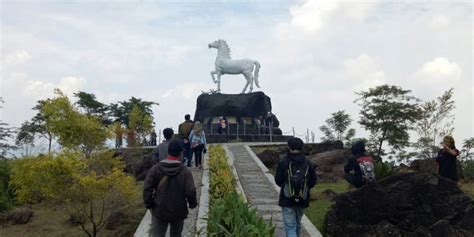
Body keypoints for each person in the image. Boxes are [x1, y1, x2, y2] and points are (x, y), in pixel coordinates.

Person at [143, 140, 197, 237]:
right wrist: (193, 204)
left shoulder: (155, 169)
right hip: (178, 210)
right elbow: (190, 191)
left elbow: (147, 188)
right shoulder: (185, 171)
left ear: (169, 151)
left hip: (159, 209)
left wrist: (150, 204)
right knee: (176, 234)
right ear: (181, 153)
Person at [275, 137, 317, 237]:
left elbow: (278, 180)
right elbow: (313, 181)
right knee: (297, 225)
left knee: (290, 227)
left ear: (289, 147)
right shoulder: (308, 163)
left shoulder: (284, 162)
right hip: (303, 198)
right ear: (301, 147)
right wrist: (304, 188)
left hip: (287, 198)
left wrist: (288, 186)